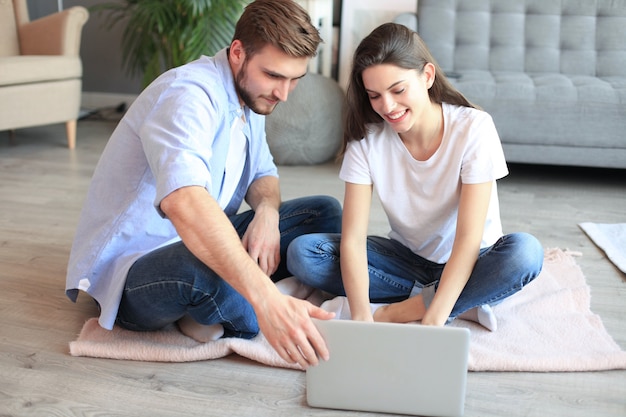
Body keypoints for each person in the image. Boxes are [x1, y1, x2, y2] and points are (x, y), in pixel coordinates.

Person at [65, 0, 342, 369]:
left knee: (323, 212)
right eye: (275, 76)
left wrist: (267, 212)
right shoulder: (188, 95)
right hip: (137, 269)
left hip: (198, 238)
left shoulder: (250, 97)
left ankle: (223, 306)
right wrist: (265, 299)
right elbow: (185, 203)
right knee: (208, 273)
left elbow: (264, 175)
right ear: (238, 52)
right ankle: (260, 301)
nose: (284, 94)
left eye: (294, 79)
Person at [287, 23, 544, 331]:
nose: (388, 107)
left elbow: (467, 240)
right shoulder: (366, 140)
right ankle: (465, 301)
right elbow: (353, 239)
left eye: (398, 90)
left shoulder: (474, 128)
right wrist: (361, 318)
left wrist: (431, 319)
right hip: (406, 260)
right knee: (304, 254)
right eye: (375, 96)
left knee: (524, 255)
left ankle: (407, 308)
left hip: (472, 261)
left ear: (427, 76)